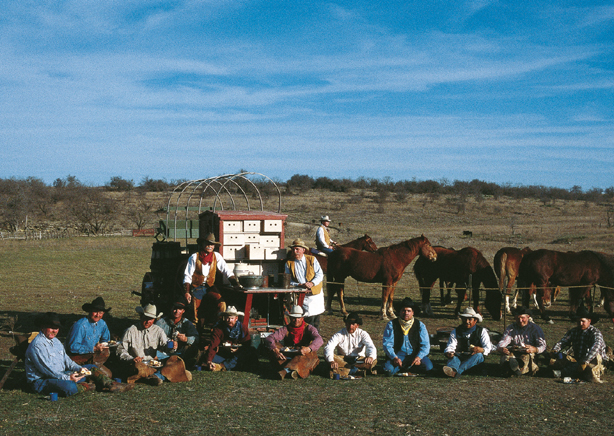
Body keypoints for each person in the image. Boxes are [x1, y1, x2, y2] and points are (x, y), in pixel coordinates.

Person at [25, 312, 132, 397]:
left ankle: (111, 384)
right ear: (43, 327)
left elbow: (66, 360)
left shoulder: (56, 342)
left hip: (62, 374)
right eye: (51, 328)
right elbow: (48, 371)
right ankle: (90, 386)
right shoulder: (37, 345)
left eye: (56, 328)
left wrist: (79, 368)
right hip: (42, 381)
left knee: (91, 368)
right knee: (70, 386)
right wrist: (68, 378)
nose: (54, 331)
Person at [116, 304, 191, 385]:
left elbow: (165, 346)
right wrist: (131, 359)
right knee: (139, 367)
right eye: (146, 318)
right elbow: (121, 349)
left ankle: (153, 376)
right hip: (138, 364)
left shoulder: (158, 330)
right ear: (141, 317)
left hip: (153, 364)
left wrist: (172, 346)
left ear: (154, 320)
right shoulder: (131, 331)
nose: (148, 321)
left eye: (151, 319)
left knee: (176, 360)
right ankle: (158, 375)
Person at [183, 233, 241, 326]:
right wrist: (187, 292)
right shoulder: (194, 257)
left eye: (212, 244)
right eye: (207, 244)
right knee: (194, 312)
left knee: (222, 305)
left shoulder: (216, 256)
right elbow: (187, 275)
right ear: (202, 244)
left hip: (210, 287)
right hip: (197, 287)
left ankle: (216, 326)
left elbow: (226, 270)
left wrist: (235, 284)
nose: (210, 246)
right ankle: (195, 333)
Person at [550, 306, 609, 383]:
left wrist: (586, 361)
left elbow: (595, 347)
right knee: (556, 360)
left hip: (593, 360)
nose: (580, 324)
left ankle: (563, 373)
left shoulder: (595, 333)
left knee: (589, 369)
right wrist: (555, 349)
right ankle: (573, 370)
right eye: (578, 321)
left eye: (583, 321)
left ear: (589, 321)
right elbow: (563, 341)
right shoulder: (574, 331)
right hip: (579, 359)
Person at [263, 305, 323, 379]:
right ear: (290, 318)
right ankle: (294, 371)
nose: (296, 320)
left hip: (303, 356)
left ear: (302, 318)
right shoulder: (285, 329)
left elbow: (319, 339)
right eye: (294, 318)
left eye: (298, 318)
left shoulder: (309, 328)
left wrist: (308, 348)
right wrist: (275, 349)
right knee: (273, 346)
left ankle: (285, 371)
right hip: (289, 355)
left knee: (311, 354)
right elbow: (270, 338)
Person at [382, 297, 433, 376]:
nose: (406, 313)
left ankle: (408, 368)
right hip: (398, 355)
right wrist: (394, 358)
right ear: (399, 312)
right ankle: (406, 368)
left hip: (415, 355)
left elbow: (425, 345)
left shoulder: (420, 325)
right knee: (388, 370)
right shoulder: (391, 324)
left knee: (429, 368)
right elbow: (387, 344)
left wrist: (419, 357)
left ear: (413, 312)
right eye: (403, 310)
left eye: (409, 311)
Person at [65, 296, 113, 375]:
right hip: (76, 358)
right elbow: (72, 347)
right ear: (90, 311)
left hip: (92, 356)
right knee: (107, 374)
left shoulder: (102, 323)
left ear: (103, 313)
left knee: (108, 370)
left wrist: (102, 344)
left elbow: (106, 339)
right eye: (95, 312)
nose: (98, 315)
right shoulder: (80, 325)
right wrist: (93, 348)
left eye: (100, 313)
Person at [285, 238, 325, 330]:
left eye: (297, 249)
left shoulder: (312, 259)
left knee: (316, 319)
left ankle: (315, 339)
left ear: (303, 250)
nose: (295, 252)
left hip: (315, 293)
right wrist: (298, 285)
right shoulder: (289, 263)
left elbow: (320, 274)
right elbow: (288, 280)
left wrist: (312, 283)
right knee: (307, 318)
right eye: (293, 249)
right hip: (302, 295)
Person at [202, 306, 258, 372]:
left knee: (248, 354)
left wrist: (238, 350)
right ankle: (230, 365)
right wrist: (209, 361)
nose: (229, 320)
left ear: (236, 318)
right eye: (227, 318)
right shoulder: (218, 328)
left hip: (238, 354)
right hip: (224, 354)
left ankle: (222, 366)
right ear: (224, 318)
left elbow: (247, 345)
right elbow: (213, 344)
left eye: (232, 318)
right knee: (208, 356)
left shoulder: (242, 328)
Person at [496, 306, 547, 377]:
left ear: (528, 317)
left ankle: (513, 369)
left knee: (526, 358)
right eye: (517, 318)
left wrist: (534, 349)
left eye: (522, 318)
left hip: (528, 353)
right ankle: (513, 368)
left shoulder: (535, 329)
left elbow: (543, 346)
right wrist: (501, 348)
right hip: (515, 351)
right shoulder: (511, 328)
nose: (520, 321)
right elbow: (504, 341)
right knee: (506, 356)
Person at [324, 312, 377, 378]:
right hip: (343, 360)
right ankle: (357, 371)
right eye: (348, 323)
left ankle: (346, 371)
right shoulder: (339, 334)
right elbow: (329, 347)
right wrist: (331, 361)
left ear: (357, 325)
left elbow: (371, 346)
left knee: (373, 361)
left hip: (358, 361)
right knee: (331, 358)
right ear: (345, 324)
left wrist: (370, 357)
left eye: (353, 324)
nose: (350, 326)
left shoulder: (363, 334)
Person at [443, 307, 492, 378]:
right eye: (465, 319)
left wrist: (481, 350)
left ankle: (457, 372)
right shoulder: (456, 331)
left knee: (478, 356)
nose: (467, 321)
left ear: (475, 320)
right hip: (461, 355)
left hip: (474, 357)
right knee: (453, 358)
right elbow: (451, 345)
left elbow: (488, 347)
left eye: (470, 319)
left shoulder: (482, 331)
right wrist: (450, 352)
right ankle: (452, 369)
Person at [155, 298, 199, 367]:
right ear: (171, 309)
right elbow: (153, 336)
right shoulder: (161, 322)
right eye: (175, 308)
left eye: (180, 309)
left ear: (183, 311)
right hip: (163, 353)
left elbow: (196, 338)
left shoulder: (187, 324)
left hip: (180, 353)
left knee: (193, 350)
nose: (177, 311)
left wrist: (186, 339)